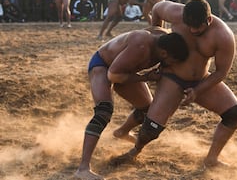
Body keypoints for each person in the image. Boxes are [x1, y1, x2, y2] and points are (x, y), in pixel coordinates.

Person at [113, 0, 237, 168]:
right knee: (151, 129)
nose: (192, 30)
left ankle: (211, 159)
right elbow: (158, 8)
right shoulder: (176, 13)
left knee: (234, 115)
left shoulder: (223, 36)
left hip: (200, 80)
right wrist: (158, 41)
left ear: (209, 20)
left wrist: (197, 90)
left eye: (198, 27)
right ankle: (135, 151)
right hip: (172, 77)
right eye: (189, 25)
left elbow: (221, 72)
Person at [74, 27, 189, 180]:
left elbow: (155, 21)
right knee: (104, 112)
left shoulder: (163, 38)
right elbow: (113, 75)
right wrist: (145, 77)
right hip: (103, 65)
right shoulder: (141, 46)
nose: (171, 64)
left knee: (148, 110)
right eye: (171, 61)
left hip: (126, 70)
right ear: (164, 53)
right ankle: (83, 168)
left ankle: (122, 132)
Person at [97, 0, 164, 39]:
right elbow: (131, 2)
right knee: (110, 16)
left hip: (120, 2)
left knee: (118, 17)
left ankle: (108, 32)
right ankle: (100, 34)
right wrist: (142, 4)